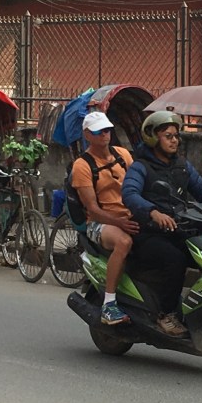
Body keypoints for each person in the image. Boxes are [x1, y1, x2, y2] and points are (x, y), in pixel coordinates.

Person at [122, 111, 202, 337]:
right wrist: (152, 212)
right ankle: (165, 314)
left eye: (176, 136)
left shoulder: (182, 165)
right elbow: (129, 194)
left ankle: (200, 309)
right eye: (168, 136)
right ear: (153, 138)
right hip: (148, 234)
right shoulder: (141, 167)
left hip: (177, 229)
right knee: (174, 260)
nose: (174, 140)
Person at [70, 111, 138, 326]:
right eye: (99, 131)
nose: (105, 135)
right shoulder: (82, 165)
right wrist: (120, 222)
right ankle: (109, 304)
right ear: (88, 135)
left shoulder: (123, 155)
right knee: (124, 242)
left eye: (107, 130)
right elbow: (93, 208)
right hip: (100, 223)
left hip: (130, 215)